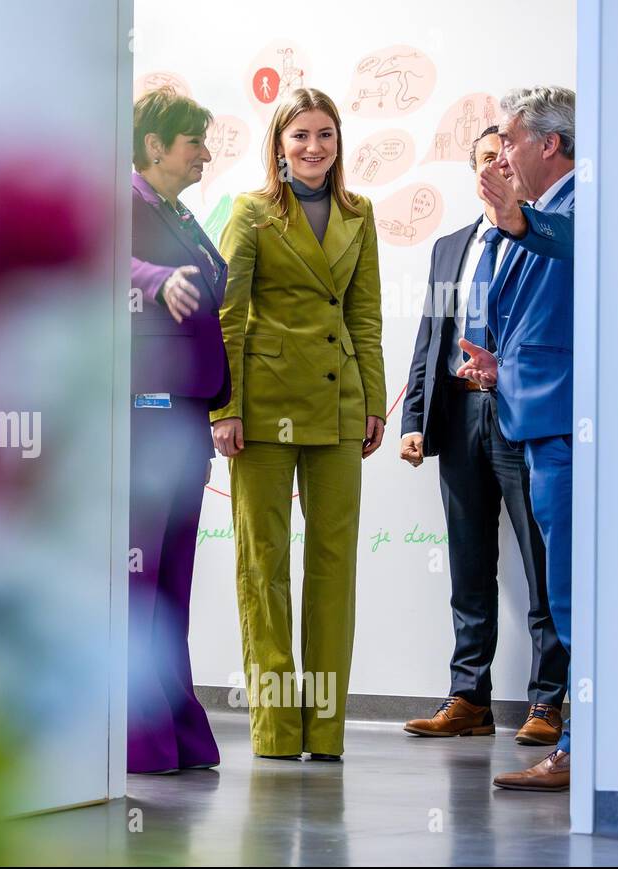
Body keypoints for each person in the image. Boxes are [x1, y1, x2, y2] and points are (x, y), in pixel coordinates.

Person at [212, 88, 385, 760]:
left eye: (325, 136)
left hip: (339, 402)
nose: (313, 148)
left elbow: (364, 317)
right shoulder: (251, 213)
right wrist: (224, 408)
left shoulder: (359, 211)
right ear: (278, 145)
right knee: (264, 565)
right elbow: (228, 315)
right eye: (300, 137)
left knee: (334, 565)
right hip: (262, 407)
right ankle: (279, 729)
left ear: (338, 144)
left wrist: (372, 401)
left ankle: (326, 727)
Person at [399, 126, 566, 744]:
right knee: (468, 564)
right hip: (461, 412)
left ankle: (548, 704)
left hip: (524, 411)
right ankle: (468, 698)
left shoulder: (546, 238)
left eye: (506, 155)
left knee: (541, 561)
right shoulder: (449, 248)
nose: (498, 164)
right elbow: (429, 340)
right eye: (486, 158)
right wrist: (414, 420)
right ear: (475, 170)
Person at [456, 87, 576, 792]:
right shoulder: (539, 214)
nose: (500, 152)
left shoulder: (577, 205)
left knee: (570, 596)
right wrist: (500, 365)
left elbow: (573, 248)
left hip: (564, 429)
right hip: (532, 419)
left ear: (548, 144)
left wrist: (516, 219)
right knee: (565, 596)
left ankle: (585, 751)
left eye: (509, 138)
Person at [126, 88, 231, 774]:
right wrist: (159, 279)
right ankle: (138, 736)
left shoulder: (181, 211)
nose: (204, 151)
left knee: (174, 579)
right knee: (142, 577)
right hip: (146, 413)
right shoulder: (125, 202)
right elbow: (105, 263)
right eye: (192, 139)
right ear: (155, 145)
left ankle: (176, 727)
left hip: (189, 411)